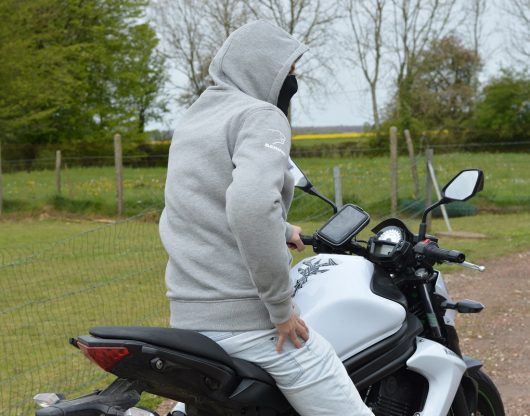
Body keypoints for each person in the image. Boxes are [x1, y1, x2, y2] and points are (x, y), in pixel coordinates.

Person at [159, 20, 374, 416]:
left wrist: (281, 229)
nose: (292, 81)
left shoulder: (195, 118)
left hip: (189, 320)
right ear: (263, 69)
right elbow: (251, 206)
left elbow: (202, 202)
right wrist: (281, 310)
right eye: (288, 71)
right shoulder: (260, 116)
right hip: (247, 321)